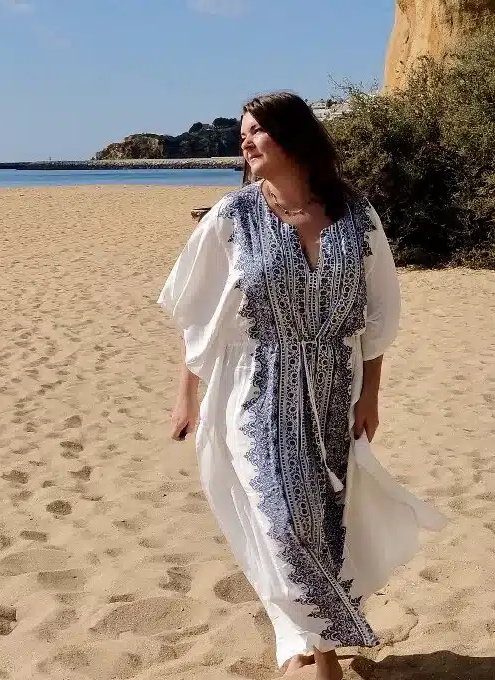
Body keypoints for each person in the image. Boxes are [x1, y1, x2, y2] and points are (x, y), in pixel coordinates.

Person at [159, 91, 446, 679]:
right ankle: (324, 656)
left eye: (257, 130)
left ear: (294, 139)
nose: (245, 141)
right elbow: (201, 314)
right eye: (243, 132)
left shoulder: (356, 215)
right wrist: (186, 392)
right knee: (282, 519)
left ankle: (309, 644)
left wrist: (371, 392)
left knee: (322, 519)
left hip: (333, 389)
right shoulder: (232, 217)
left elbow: (376, 314)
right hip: (256, 391)